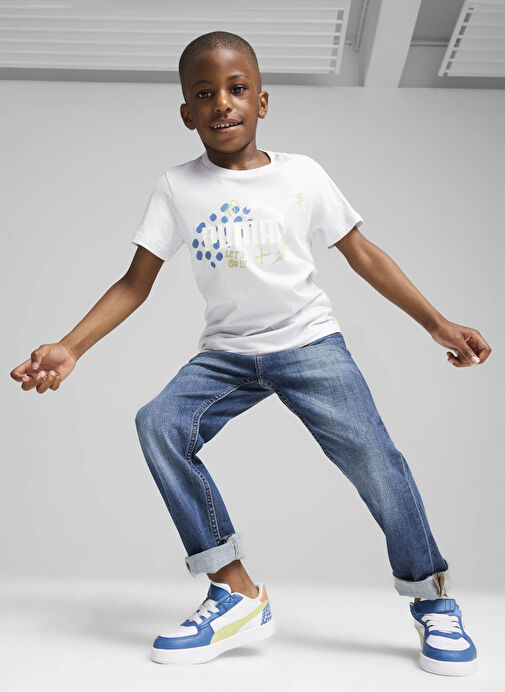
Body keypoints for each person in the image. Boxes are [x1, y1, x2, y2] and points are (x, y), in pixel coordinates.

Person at [10, 30, 490, 675]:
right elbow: (134, 283)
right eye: (204, 94)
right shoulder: (177, 188)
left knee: (377, 463)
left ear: (262, 101)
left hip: (309, 344)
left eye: (237, 89)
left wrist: (437, 324)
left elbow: (364, 255)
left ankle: (432, 598)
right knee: (159, 423)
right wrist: (70, 348)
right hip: (228, 356)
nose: (222, 104)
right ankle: (234, 591)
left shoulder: (302, 175)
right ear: (187, 113)